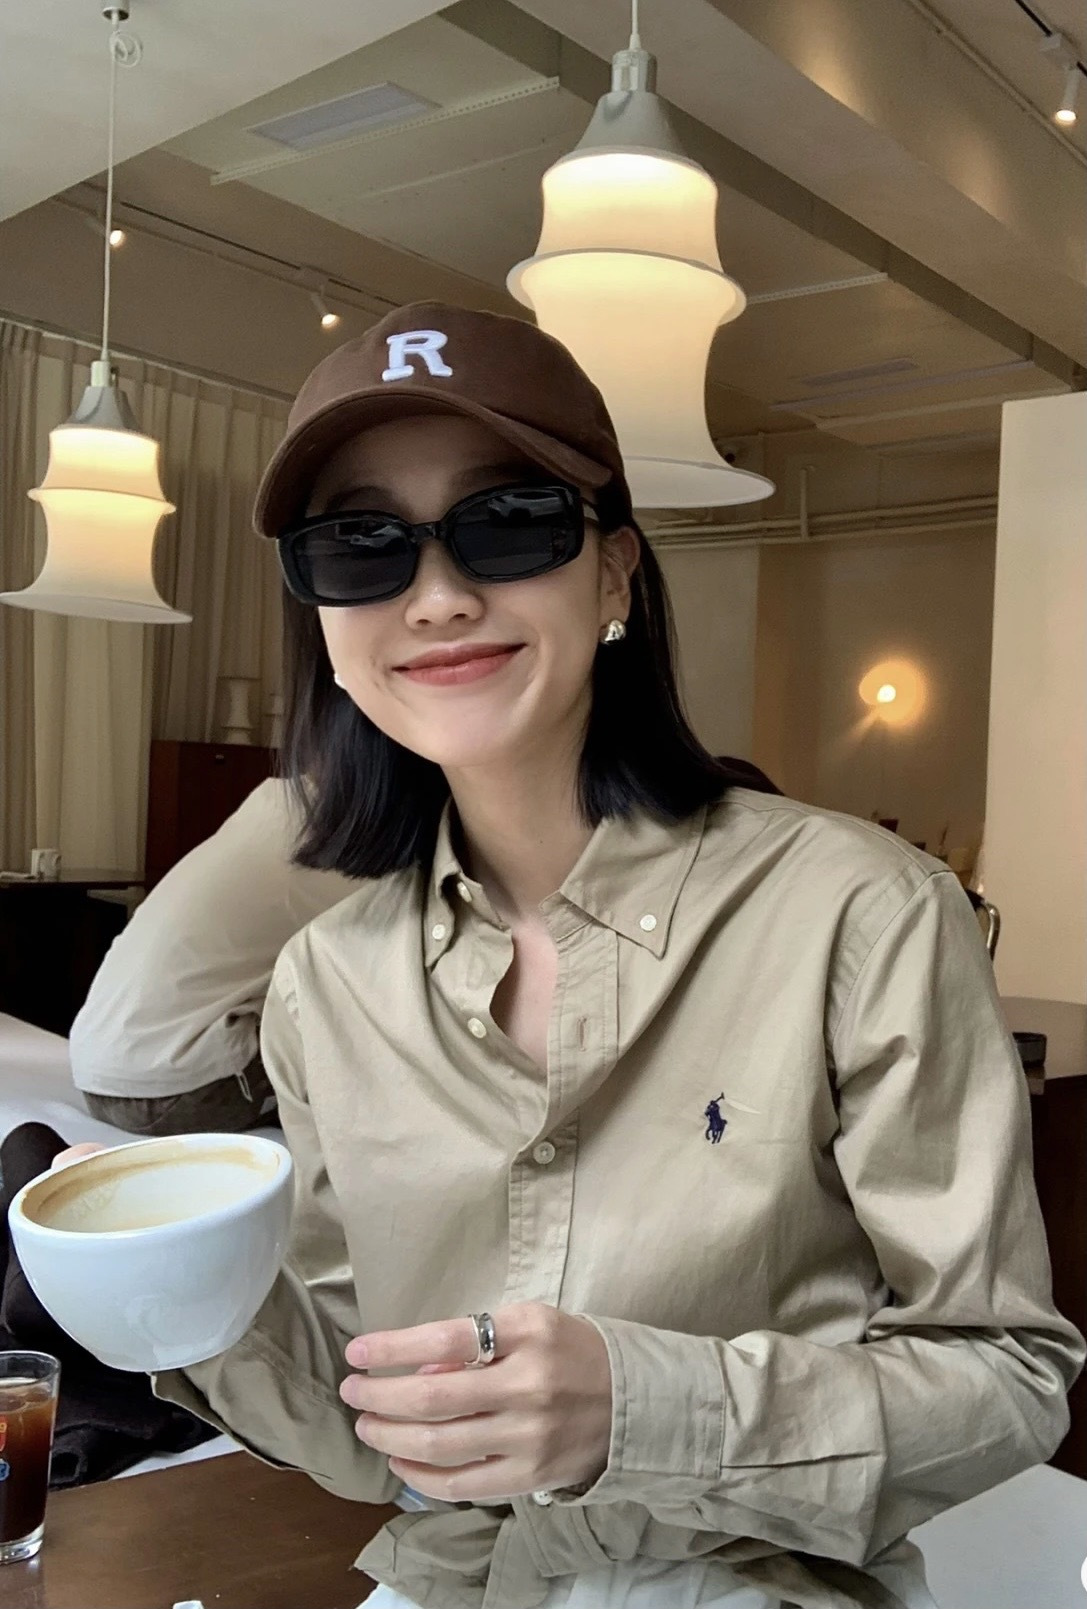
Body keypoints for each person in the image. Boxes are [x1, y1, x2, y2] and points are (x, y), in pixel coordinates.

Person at [62, 303, 1082, 1609]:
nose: (436, 595)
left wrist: (640, 1407)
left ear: (612, 575)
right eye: (361, 544)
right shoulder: (322, 984)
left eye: (508, 522)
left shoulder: (862, 912)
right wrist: (183, 1299)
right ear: (320, 615)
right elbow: (378, 1431)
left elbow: (1003, 1377)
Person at [67, 780, 354, 1134]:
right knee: (348, 999)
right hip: (174, 1095)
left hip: (96, 1073)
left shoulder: (273, 808)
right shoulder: (350, 848)